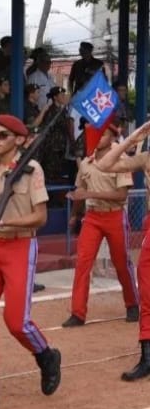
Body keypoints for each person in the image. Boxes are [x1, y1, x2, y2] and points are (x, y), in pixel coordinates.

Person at [0, 114, 62, 409]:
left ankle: (46, 355)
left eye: (3, 135)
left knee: (17, 321)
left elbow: (41, 217)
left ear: (19, 140)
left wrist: (10, 222)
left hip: (20, 244)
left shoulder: (32, 170)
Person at [63, 121, 138, 328]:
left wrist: (89, 194)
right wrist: (74, 214)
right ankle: (78, 313)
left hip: (114, 215)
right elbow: (80, 190)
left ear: (113, 137)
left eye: (102, 134)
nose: (97, 138)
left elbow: (122, 195)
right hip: (93, 216)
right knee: (83, 263)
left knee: (122, 262)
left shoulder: (121, 159)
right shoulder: (87, 162)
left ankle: (132, 304)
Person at [90, 118, 150, 380]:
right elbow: (105, 165)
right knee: (146, 289)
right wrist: (132, 138)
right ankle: (147, 356)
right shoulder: (146, 158)